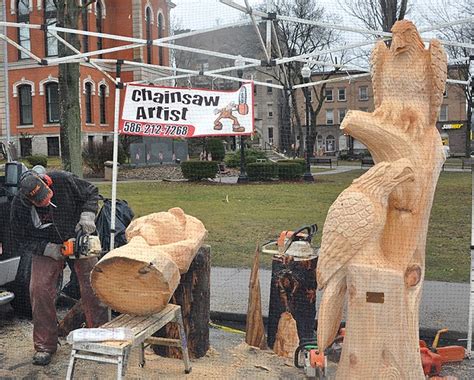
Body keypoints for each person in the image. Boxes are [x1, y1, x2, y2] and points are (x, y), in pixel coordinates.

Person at [10, 168, 108, 366]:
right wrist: (47, 249)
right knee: (39, 290)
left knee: (93, 285)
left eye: (46, 196)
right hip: (47, 244)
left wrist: (87, 216)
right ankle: (45, 345)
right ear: (28, 199)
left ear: (47, 182)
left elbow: (91, 191)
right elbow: (20, 239)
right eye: (39, 202)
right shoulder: (19, 206)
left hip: (76, 234)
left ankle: (100, 337)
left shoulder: (64, 179)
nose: (45, 202)